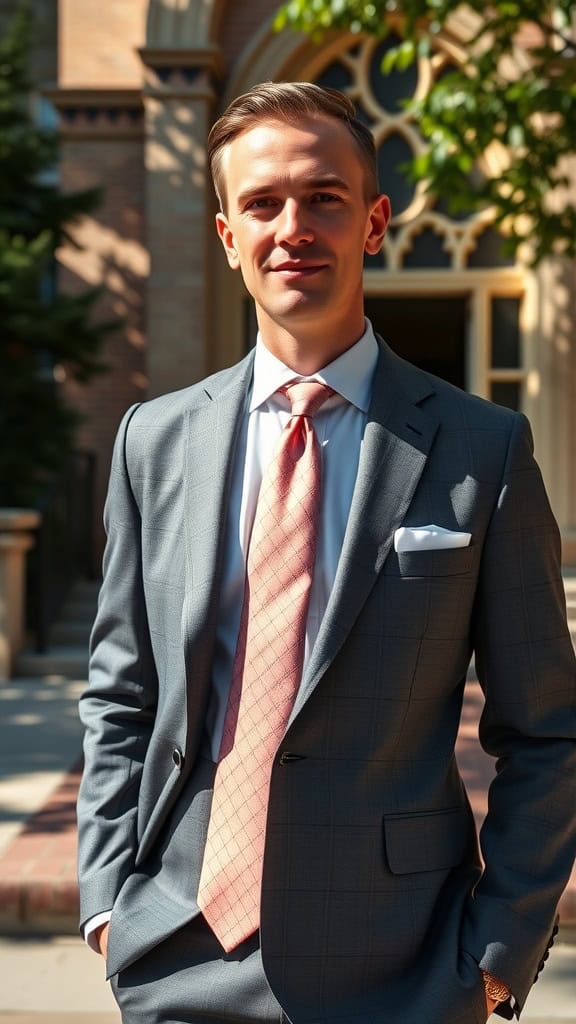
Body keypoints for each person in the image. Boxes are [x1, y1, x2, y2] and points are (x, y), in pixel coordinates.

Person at [77, 82, 576, 1024]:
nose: (291, 226)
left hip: (405, 964)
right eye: (262, 203)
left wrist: (496, 954)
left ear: (376, 221)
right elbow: (122, 691)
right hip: (177, 950)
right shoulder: (155, 440)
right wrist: (108, 898)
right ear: (228, 237)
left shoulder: (483, 448)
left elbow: (546, 729)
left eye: (324, 198)